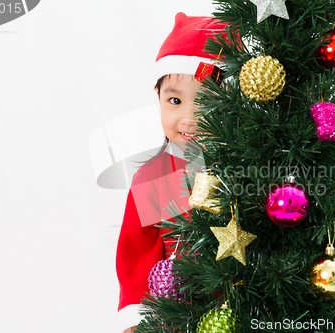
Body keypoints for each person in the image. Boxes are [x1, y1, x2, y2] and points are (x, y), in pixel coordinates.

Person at [115, 12, 229, 333]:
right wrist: (137, 319)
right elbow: (136, 256)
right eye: (175, 100)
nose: (188, 118)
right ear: (159, 99)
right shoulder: (154, 180)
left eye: (206, 101)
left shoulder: (249, 171)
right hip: (177, 318)